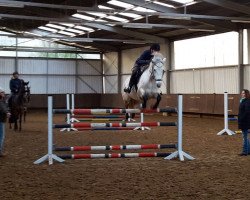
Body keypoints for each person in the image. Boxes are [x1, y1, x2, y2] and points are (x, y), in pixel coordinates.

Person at [238, 89, 250, 156]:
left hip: (244, 122)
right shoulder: (243, 101)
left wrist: (241, 118)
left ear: (246, 94)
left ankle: (245, 151)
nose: (243, 94)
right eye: (242, 93)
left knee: (245, 137)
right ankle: (248, 151)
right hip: (245, 121)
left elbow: (247, 112)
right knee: (246, 137)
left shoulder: (246, 101)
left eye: (244, 93)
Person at [0, 87, 10, 157]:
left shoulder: (3, 100)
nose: (4, 93)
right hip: (0, 120)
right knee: (2, 136)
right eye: (2, 92)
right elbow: (3, 108)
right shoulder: (1, 101)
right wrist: (7, 112)